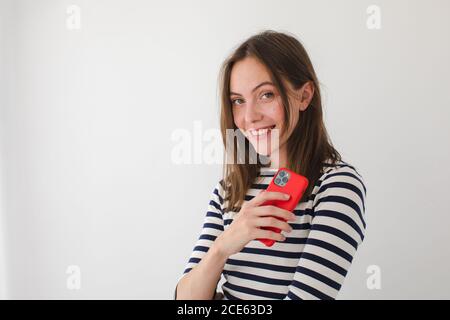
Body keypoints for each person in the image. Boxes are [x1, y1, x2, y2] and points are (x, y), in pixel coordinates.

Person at [175, 30, 367, 300]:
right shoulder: (229, 190)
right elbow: (186, 301)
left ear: (304, 96)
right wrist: (225, 245)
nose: (250, 116)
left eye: (266, 95)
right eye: (238, 101)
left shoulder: (336, 186)